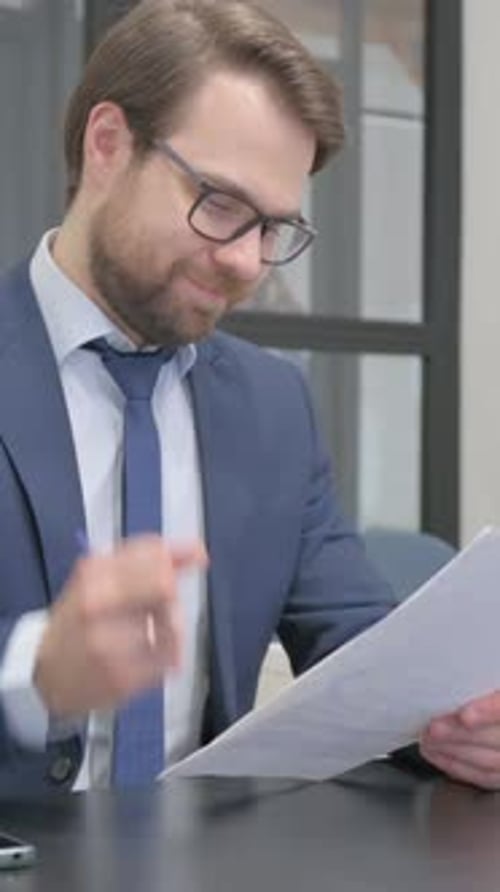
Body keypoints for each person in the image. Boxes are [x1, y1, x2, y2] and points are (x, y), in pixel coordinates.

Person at [0, 0, 499, 796]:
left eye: (273, 227)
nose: (245, 262)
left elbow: (357, 645)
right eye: (221, 205)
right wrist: (32, 676)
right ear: (107, 145)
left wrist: (459, 722)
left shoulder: (273, 406)